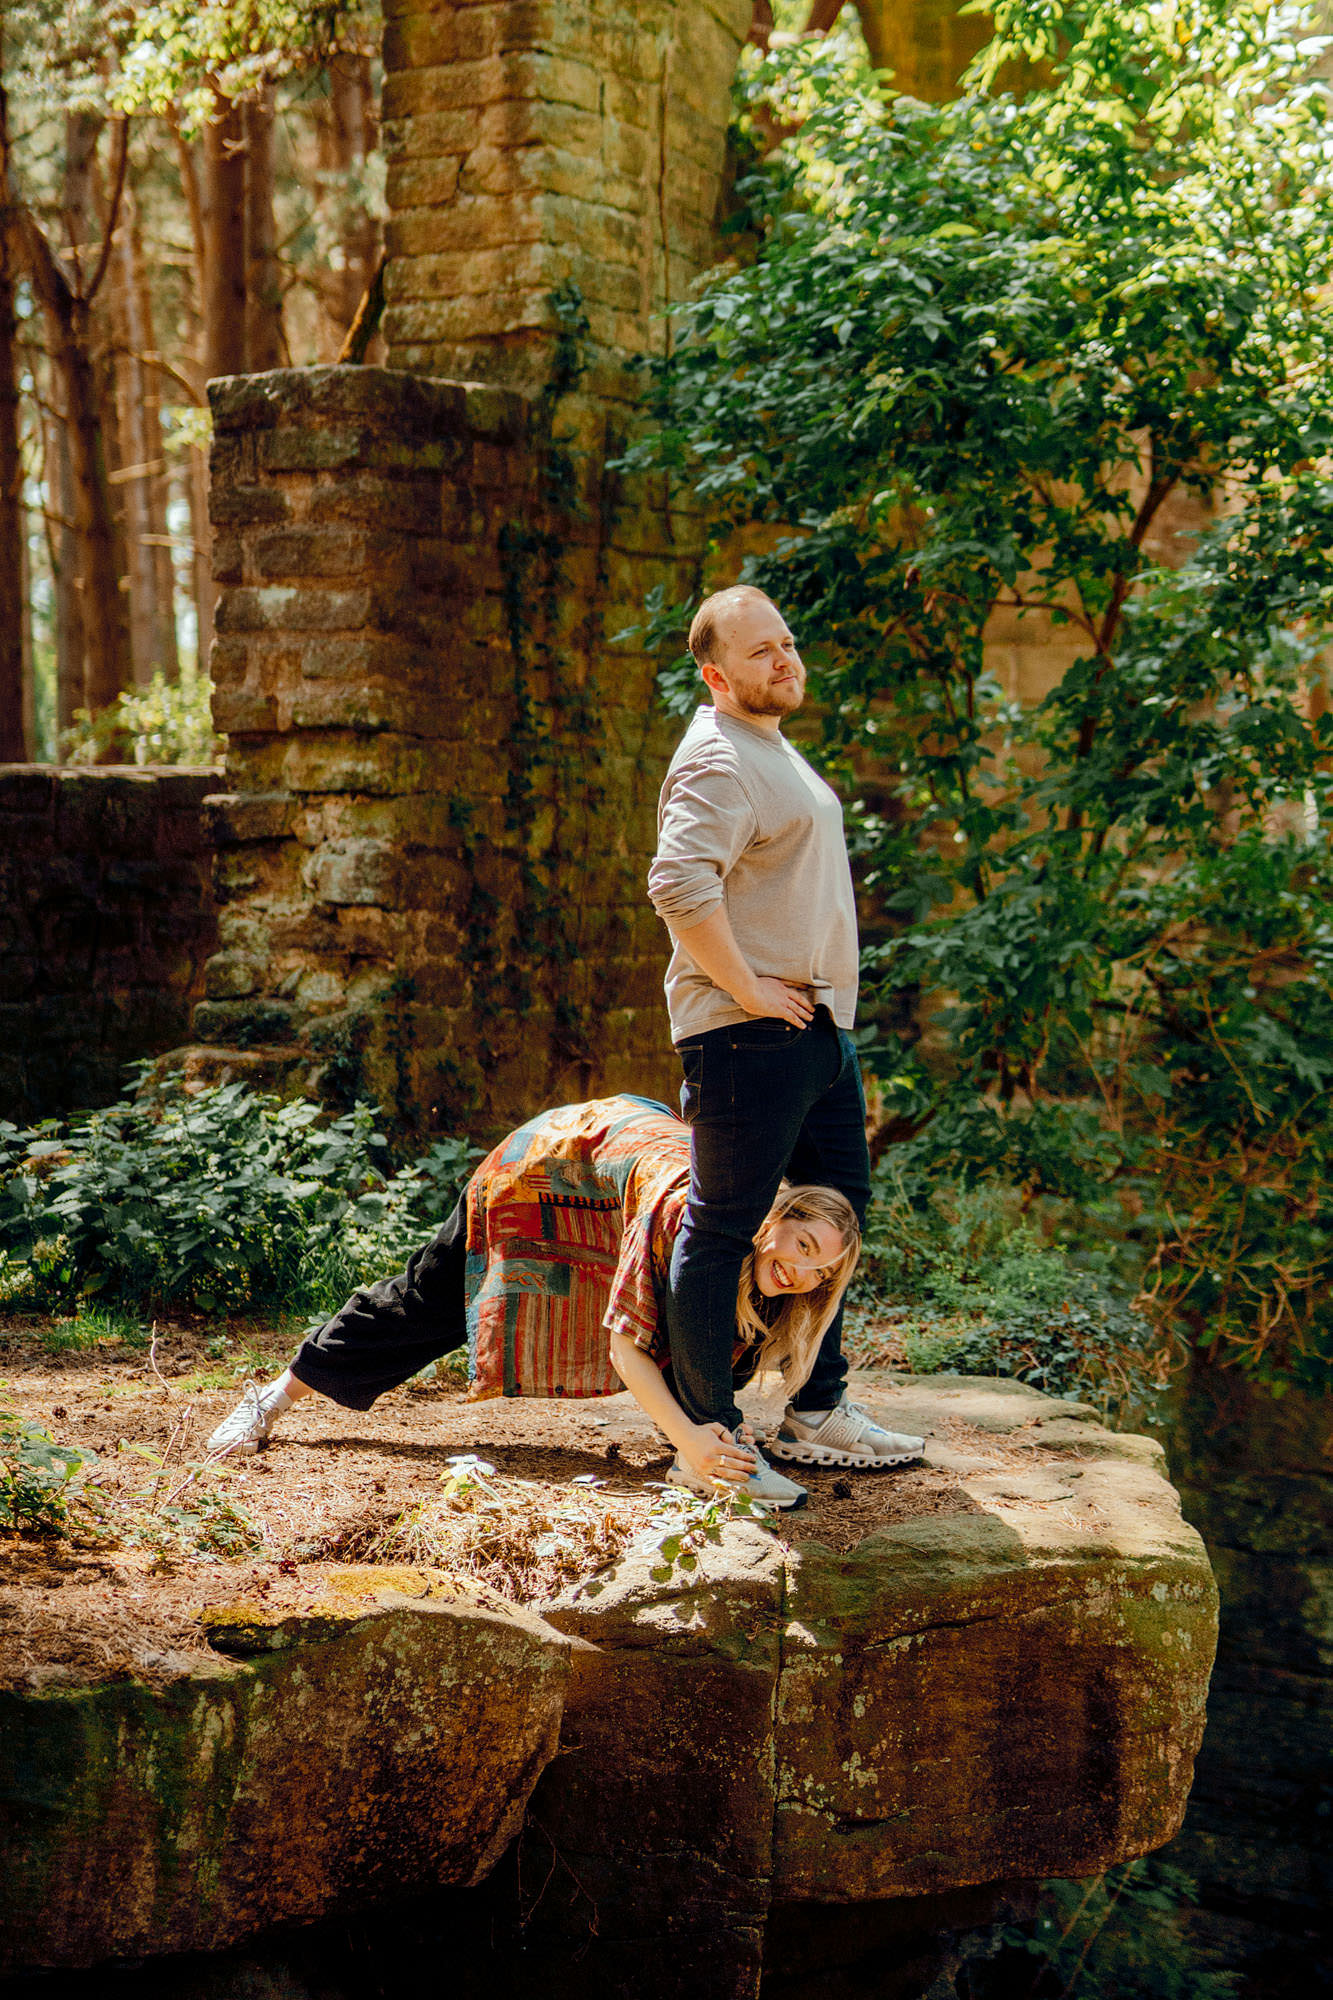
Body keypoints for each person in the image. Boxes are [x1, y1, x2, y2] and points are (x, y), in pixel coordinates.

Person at [205, 1094, 871, 1510]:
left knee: (729, 1321)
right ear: (773, 1218)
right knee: (431, 1303)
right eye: (803, 1245)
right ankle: (270, 1399)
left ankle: (696, 1450)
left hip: (623, 1175)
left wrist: (706, 1431)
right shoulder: (692, 1222)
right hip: (552, 1167)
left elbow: (704, 1339)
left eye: (822, 1272)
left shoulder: (770, 1272)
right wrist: (688, 1440)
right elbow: (626, 1345)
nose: (803, 1273)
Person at [648, 584, 924, 1472]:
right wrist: (747, 988)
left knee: (840, 1213)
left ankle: (816, 1406)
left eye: (787, 643)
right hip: (746, 1033)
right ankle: (714, 1441)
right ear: (715, 675)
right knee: (722, 1228)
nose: (784, 659)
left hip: (814, 1031)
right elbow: (677, 885)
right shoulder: (716, 759)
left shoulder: (766, 746)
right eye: (759, 651)